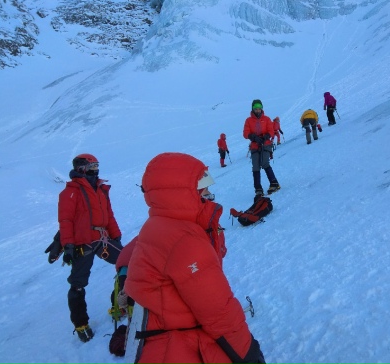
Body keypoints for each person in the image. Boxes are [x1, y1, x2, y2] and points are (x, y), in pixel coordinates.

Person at [125, 152, 264, 364]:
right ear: (183, 192)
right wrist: (249, 353)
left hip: (159, 342)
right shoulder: (185, 240)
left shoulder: (158, 225)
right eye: (203, 189)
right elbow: (218, 311)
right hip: (180, 345)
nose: (209, 194)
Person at [58, 153, 123, 342]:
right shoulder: (71, 191)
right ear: (82, 168)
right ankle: (81, 325)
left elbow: (109, 215)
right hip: (82, 243)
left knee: (128, 262)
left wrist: (116, 235)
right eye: (92, 166)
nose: (96, 169)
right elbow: (65, 220)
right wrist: (68, 245)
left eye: (97, 165)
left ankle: (119, 305)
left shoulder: (100, 189)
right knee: (77, 285)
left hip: (102, 239)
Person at [243, 99, 280, 196]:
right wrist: (253, 137)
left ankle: (274, 183)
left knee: (265, 163)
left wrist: (266, 136)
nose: (258, 110)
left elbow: (271, 131)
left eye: (259, 108)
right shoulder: (248, 120)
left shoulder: (266, 119)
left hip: (266, 144)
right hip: (255, 146)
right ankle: (258, 188)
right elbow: (245, 133)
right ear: (253, 109)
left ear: (262, 108)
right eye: (256, 108)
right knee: (255, 166)